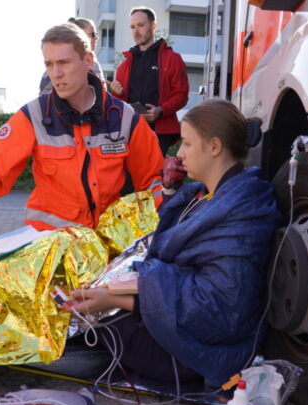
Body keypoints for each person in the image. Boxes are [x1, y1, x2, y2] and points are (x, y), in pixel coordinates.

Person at [67, 99, 281, 387]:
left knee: (99, 315)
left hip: (194, 354)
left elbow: (220, 310)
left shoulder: (239, 214)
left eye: (187, 144)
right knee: (88, 291)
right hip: (178, 326)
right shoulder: (206, 196)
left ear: (214, 147)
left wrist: (118, 297)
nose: (179, 154)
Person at [0, 24, 165, 230]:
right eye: (49, 64)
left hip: (105, 244)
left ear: (87, 61)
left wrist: (170, 195)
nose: (55, 74)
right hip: (48, 248)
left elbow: (152, 181)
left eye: (63, 62)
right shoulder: (32, 116)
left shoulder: (125, 118)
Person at [109, 6, 189, 157]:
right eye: (132, 27)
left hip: (160, 132)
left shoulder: (172, 59)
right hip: (130, 131)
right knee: (130, 178)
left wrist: (160, 110)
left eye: (141, 25)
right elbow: (120, 104)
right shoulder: (124, 66)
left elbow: (182, 95)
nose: (136, 31)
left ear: (153, 25)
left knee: (154, 177)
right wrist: (117, 94)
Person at [39, 17, 105, 95]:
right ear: (78, 35)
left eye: (96, 34)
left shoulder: (93, 61)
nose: (96, 38)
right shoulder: (53, 72)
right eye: (92, 34)